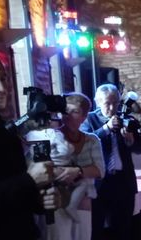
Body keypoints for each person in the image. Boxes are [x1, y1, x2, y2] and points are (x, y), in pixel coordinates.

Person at [28, 93, 105, 240]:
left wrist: (77, 171)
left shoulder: (92, 140)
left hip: (83, 201)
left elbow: (100, 170)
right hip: (56, 201)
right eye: (65, 111)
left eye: (74, 111)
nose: (68, 115)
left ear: (84, 117)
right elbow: (39, 168)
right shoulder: (50, 137)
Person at [0, 60, 60, 239]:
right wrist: (30, 180)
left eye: (2, 79)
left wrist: (40, 200)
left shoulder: (5, 130)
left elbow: (14, 186)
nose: (1, 88)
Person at [81, 84, 138, 240]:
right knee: (96, 229)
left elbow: (140, 148)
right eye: (107, 103)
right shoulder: (89, 119)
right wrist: (106, 128)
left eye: (116, 103)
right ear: (98, 102)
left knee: (123, 229)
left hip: (124, 182)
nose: (112, 107)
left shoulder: (126, 118)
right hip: (99, 183)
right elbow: (85, 143)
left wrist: (131, 140)